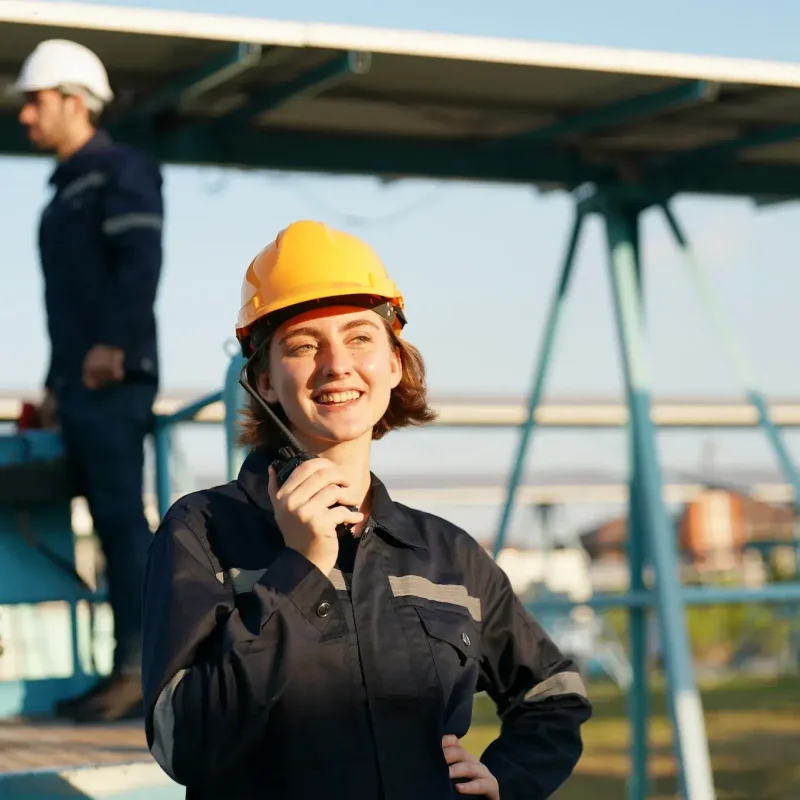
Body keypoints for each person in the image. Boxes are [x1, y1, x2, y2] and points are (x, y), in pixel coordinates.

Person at [142, 221, 591, 799]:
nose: (336, 364)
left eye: (360, 338)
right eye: (304, 346)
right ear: (264, 382)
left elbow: (554, 694)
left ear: (395, 364)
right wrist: (299, 572)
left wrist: (509, 778)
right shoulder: (200, 534)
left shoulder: (447, 555)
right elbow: (185, 744)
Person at [13, 39, 164, 722]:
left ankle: (139, 670)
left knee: (120, 524)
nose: (25, 117)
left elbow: (139, 261)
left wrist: (112, 345)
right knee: (104, 526)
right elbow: (65, 306)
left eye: (35, 102)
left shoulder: (119, 170)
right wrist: (52, 385)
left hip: (112, 378)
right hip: (78, 383)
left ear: (75, 101)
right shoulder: (68, 186)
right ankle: (121, 669)